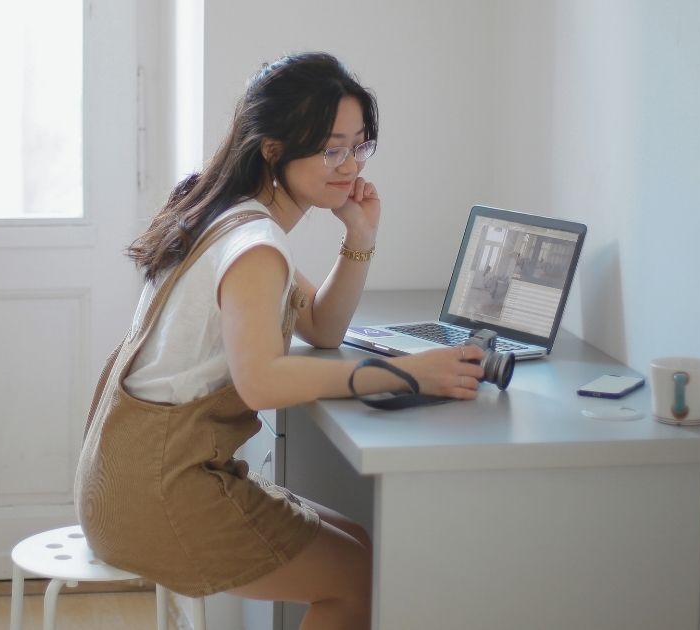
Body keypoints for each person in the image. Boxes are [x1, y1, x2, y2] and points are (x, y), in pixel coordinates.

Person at [75, 52, 485, 630]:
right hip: (162, 491)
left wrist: (360, 236)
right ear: (274, 150)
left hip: (126, 476)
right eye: (330, 149)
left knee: (361, 548)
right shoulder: (255, 245)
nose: (349, 166)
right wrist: (412, 374)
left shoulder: (223, 211)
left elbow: (322, 328)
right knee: (357, 580)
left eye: (360, 145)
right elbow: (262, 379)